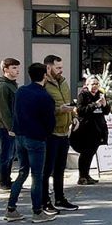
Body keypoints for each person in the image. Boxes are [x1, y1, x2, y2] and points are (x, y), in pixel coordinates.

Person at [6, 63, 58, 224]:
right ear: (44, 76)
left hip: (20, 137)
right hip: (36, 139)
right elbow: (50, 122)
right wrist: (45, 134)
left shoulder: (21, 91)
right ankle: (37, 211)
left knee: (22, 172)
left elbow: (15, 112)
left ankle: (11, 209)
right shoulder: (45, 96)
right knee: (37, 176)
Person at [40, 55, 79, 213]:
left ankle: (60, 197)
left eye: (62, 67)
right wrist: (59, 110)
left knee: (60, 168)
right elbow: (43, 109)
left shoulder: (63, 82)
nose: (61, 71)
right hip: (51, 132)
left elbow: (69, 101)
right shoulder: (43, 84)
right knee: (47, 169)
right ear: (48, 68)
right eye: (58, 68)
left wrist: (74, 117)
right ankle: (44, 200)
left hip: (65, 131)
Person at [72, 75, 110, 185]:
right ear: (87, 85)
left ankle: (87, 175)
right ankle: (82, 176)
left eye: (97, 84)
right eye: (92, 84)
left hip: (98, 129)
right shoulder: (83, 95)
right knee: (85, 153)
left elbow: (106, 112)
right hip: (85, 129)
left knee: (91, 153)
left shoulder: (101, 94)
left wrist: (104, 104)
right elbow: (81, 110)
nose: (95, 86)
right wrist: (95, 105)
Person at [0, 57, 20, 191]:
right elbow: (4, 110)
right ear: (5, 69)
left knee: (11, 154)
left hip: (12, 126)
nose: (17, 70)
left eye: (17, 67)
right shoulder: (3, 86)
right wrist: (11, 128)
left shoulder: (12, 84)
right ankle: (3, 182)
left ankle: (7, 180)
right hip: (5, 127)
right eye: (14, 68)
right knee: (6, 154)